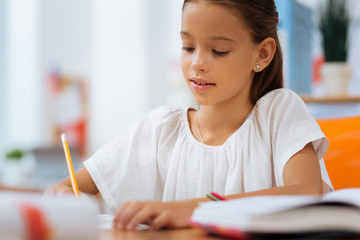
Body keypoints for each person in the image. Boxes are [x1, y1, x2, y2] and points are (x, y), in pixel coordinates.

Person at [45, 0, 333, 231]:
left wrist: (190, 209)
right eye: (188, 47)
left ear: (262, 54)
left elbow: (306, 194)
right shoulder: (159, 130)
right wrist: (61, 196)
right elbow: (68, 187)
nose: (197, 63)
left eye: (218, 51)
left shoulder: (278, 111)